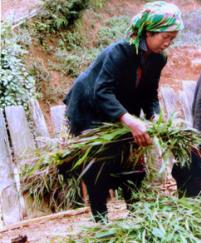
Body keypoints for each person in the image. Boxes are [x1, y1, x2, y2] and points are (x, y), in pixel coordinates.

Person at [63, 1, 184, 222]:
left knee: (133, 160)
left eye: (172, 39)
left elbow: (149, 94)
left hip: (120, 107)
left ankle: (136, 217)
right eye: (165, 37)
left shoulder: (158, 59)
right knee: (98, 164)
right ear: (148, 33)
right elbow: (102, 91)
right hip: (89, 106)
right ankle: (101, 221)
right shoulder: (120, 52)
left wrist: (154, 117)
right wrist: (129, 120)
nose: (168, 43)